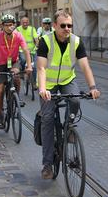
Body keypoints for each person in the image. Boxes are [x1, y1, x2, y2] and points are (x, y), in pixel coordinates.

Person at [37, 10, 100, 179]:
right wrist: (43, 89)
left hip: (66, 80)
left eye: (70, 25)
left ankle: (68, 127)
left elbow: (85, 66)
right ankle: (47, 164)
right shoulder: (45, 41)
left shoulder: (76, 41)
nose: (67, 28)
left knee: (76, 101)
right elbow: (41, 68)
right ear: (55, 26)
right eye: (63, 25)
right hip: (48, 85)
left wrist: (92, 87)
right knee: (48, 119)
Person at [0, 14, 32, 129]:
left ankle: (16, 98)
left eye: (11, 25)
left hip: (13, 62)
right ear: (2, 26)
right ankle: (0, 117)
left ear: (14, 25)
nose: (9, 27)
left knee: (16, 75)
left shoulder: (18, 36)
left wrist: (29, 66)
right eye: (7, 25)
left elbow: (26, 51)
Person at [16, 16, 38, 84]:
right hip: (22, 50)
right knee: (23, 60)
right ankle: (22, 72)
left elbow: (36, 39)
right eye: (23, 22)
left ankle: (34, 83)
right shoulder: (18, 29)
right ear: (21, 23)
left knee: (34, 67)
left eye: (26, 22)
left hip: (32, 50)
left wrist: (37, 45)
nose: (25, 24)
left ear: (28, 22)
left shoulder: (32, 29)